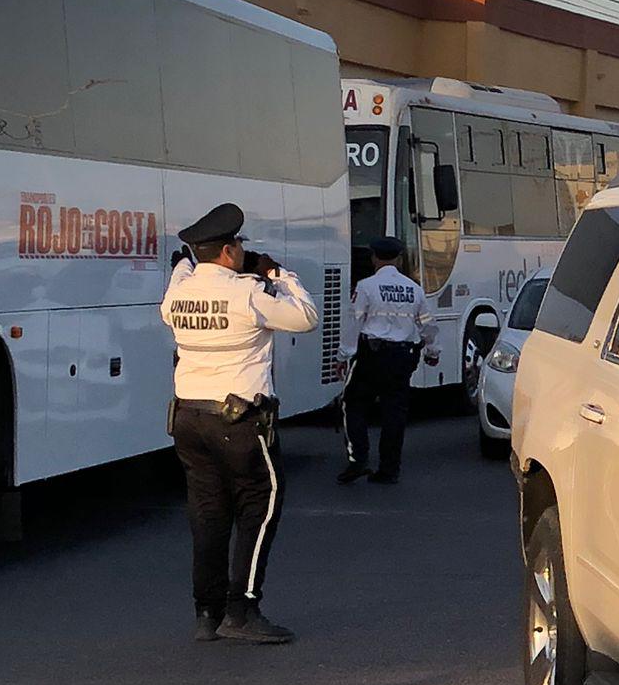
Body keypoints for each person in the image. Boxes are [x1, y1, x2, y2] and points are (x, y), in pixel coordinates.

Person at [160, 203, 319, 644]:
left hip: (189, 419)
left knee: (207, 513)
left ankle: (205, 613)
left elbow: (180, 275)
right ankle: (242, 610)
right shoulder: (249, 293)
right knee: (260, 507)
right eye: (240, 247)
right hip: (239, 421)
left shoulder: (178, 293)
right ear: (230, 251)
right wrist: (278, 274)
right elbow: (305, 317)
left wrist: (188, 264)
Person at [337, 237, 439, 485]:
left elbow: (355, 323)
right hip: (403, 357)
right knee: (394, 413)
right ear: (399, 258)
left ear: (373, 257)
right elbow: (427, 324)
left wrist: (343, 355)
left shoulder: (366, 286)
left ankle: (358, 459)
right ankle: (389, 469)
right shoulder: (413, 288)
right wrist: (433, 351)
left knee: (353, 404)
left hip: (372, 356)